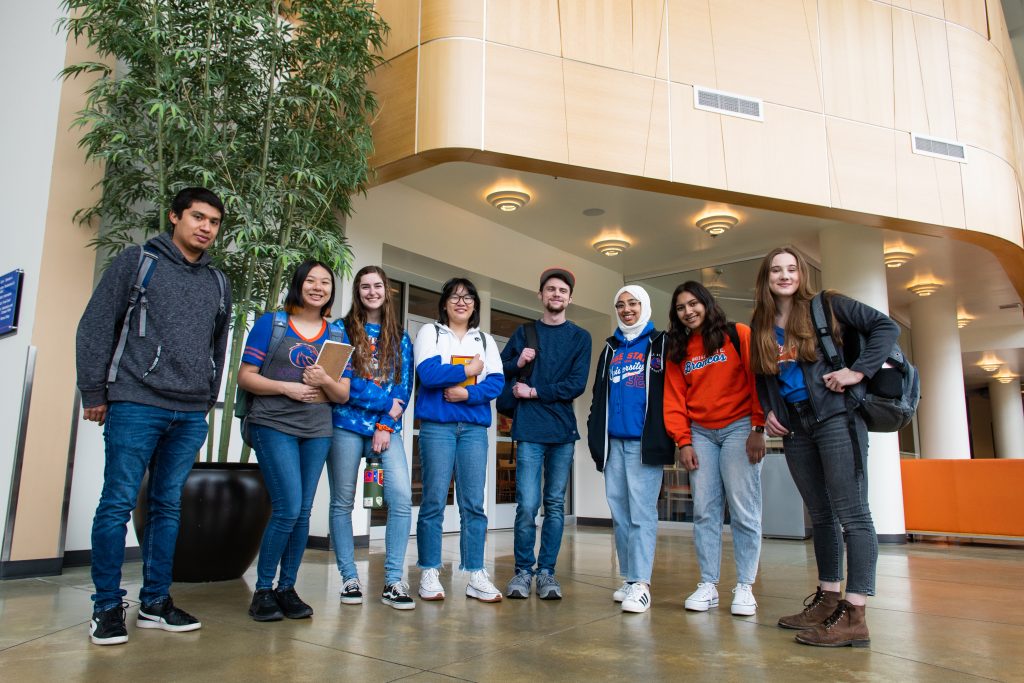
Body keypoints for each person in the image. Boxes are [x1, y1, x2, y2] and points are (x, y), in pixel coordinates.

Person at [76, 187, 232, 646]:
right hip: (135, 401)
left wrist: (207, 397)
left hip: (188, 410)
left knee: (167, 506)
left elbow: (217, 346)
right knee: (117, 504)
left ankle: (155, 602)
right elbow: (97, 323)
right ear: (174, 217)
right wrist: (93, 390)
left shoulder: (217, 281)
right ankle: (106, 606)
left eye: (214, 222)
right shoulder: (137, 261)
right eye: (197, 217)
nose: (206, 227)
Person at [750, 246, 898, 648]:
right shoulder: (761, 323)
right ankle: (828, 598)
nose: (784, 275)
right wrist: (768, 412)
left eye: (791, 268)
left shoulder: (826, 304)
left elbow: (886, 327)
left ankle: (855, 615)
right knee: (820, 515)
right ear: (766, 278)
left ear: (801, 273)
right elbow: (764, 377)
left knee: (854, 515)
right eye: (776, 270)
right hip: (796, 427)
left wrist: (857, 371)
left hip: (836, 418)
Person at [238, 260, 351, 622]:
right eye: (311, 281)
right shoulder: (272, 324)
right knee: (287, 506)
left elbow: (342, 394)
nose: (318, 287)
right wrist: (286, 387)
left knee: (302, 511)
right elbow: (246, 377)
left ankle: (287, 588)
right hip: (272, 424)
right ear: (298, 284)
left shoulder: (335, 334)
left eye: (325, 282)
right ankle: (264, 590)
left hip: (317, 429)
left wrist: (324, 381)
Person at [663, 281, 766, 617]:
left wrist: (757, 427)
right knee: (705, 511)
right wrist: (684, 441)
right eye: (681, 308)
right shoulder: (679, 350)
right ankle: (708, 584)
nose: (688, 311)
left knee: (743, 509)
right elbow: (675, 400)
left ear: (706, 304)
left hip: (739, 427)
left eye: (694, 304)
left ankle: (745, 586)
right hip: (700, 434)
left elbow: (758, 379)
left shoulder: (736, 334)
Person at [327, 266, 415, 610]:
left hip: (383, 430)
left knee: (401, 498)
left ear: (386, 291)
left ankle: (393, 580)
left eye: (377, 285)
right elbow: (338, 381)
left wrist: (384, 426)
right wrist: (381, 400)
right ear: (357, 292)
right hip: (345, 426)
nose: (372, 291)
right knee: (342, 503)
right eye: (365, 286)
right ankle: (349, 578)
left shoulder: (401, 337)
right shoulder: (339, 329)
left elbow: (403, 389)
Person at [502, 268, 592, 600]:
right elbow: (499, 369)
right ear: (540, 295)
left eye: (562, 290)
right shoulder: (524, 332)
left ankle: (547, 573)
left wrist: (534, 392)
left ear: (570, 298)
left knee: (554, 505)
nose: (556, 294)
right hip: (529, 429)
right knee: (527, 504)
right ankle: (523, 571)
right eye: (550, 289)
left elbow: (576, 385)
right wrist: (517, 361)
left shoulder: (580, 337)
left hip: (562, 431)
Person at [414, 278, 504, 603]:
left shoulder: (485, 340)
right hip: (438, 427)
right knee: (434, 500)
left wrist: (466, 392)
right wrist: (469, 367)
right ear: (445, 303)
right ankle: (429, 570)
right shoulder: (431, 333)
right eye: (454, 296)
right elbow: (428, 375)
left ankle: (475, 572)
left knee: (473, 504)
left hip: (473, 430)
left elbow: (495, 384)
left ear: (475, 305)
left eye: (468, 297)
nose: (461, 302)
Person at [587, 285, 674, 614]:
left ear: (645, 306)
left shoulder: (660, 344)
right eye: (620, 305)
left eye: (633, 303)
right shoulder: (610, 350)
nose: (627, 310)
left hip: (643, 446)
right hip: (614, 445)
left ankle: (642, 583)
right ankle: (629, 577)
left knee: (641, 514)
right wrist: (596, 438)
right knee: (621, 514)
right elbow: (598, 397)